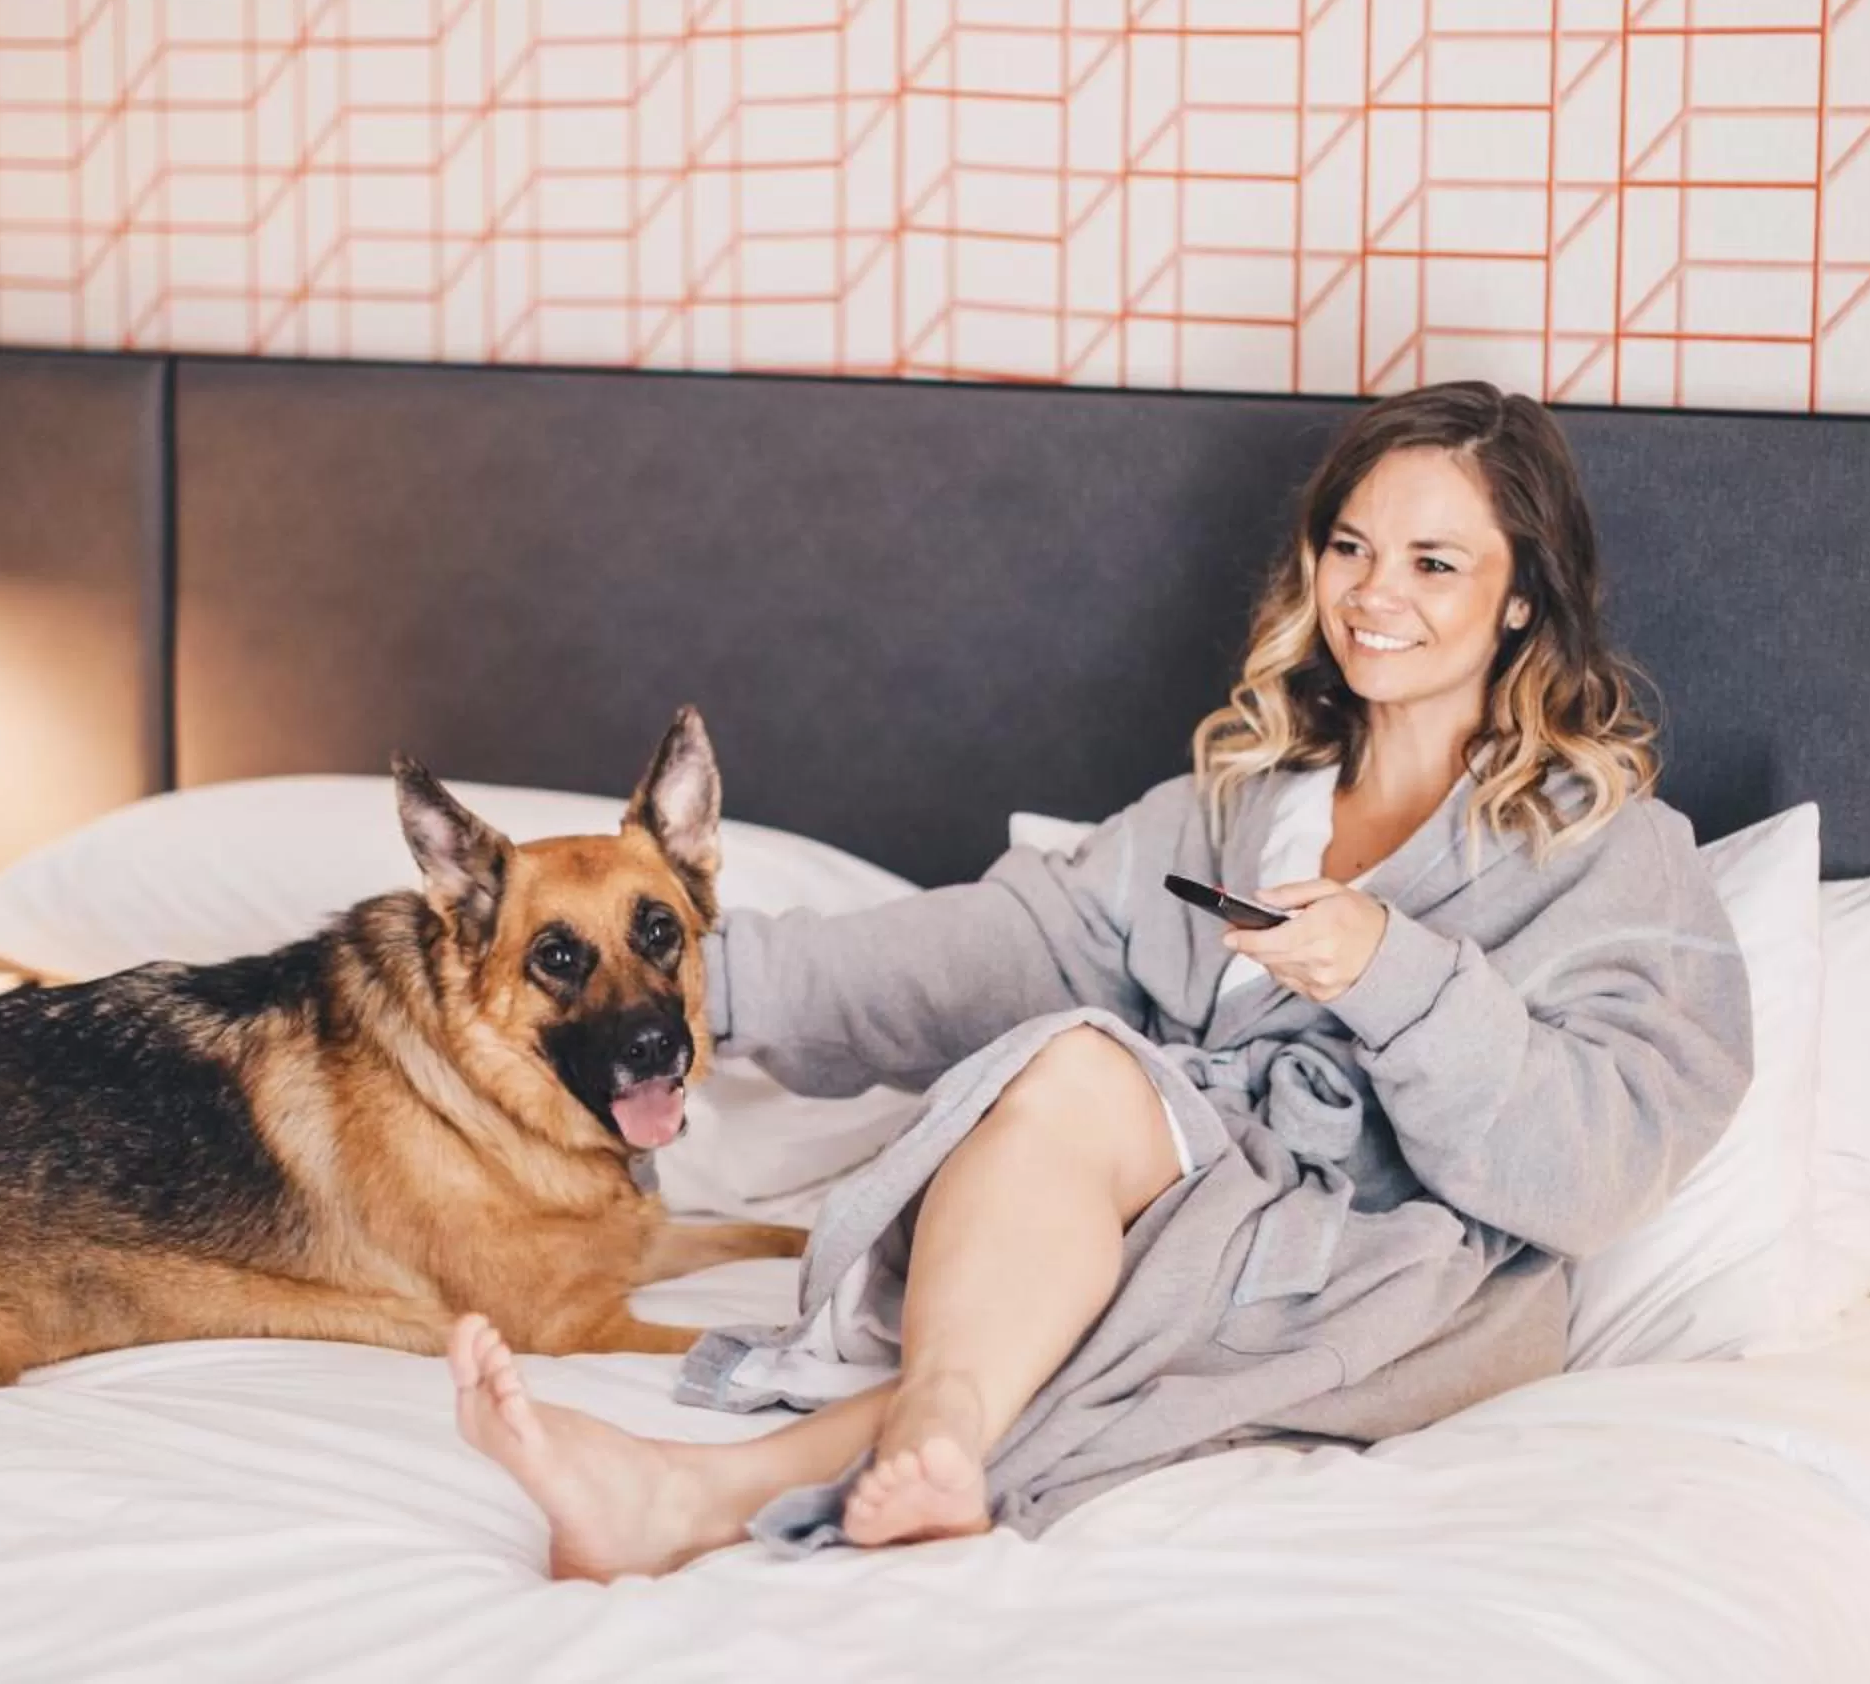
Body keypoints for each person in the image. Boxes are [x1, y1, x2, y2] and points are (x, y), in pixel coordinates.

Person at [444, 379, 1754, 1580]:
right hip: (1179, 1204)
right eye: (1349, 546)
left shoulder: (1610, 850)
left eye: (1434, 562)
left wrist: (1393, 975)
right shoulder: (1234, 806)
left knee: (1082, 1198)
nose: (1373, 594)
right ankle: (932, 1440)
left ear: (1522, 595)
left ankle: (700, 1493)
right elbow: (989, 953)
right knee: (1069, 1063)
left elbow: (1598, 1164)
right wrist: (686, 988)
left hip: (1398, 1262)